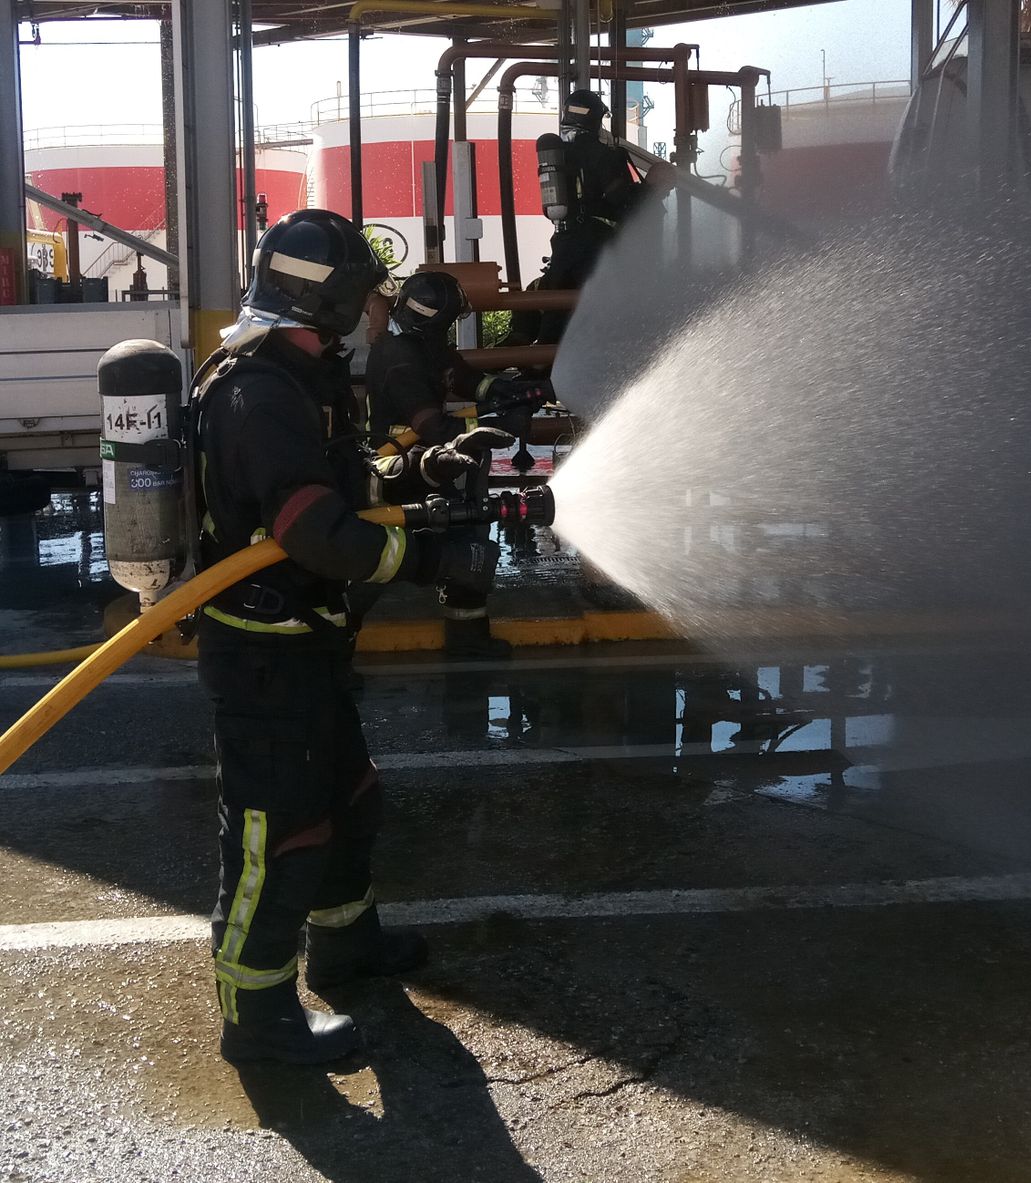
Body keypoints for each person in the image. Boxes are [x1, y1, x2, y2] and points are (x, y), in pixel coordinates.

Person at [193, 208, 503, 1065]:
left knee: (346, 800)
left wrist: (420, 468)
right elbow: (318, 532)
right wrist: (431, 557)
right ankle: (257, 1020)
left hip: (309, 639)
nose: (374, 314)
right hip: (264, 653)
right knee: (277, 836)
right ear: (320, 300)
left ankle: (345, 945)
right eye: (363, 299)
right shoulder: (258, 394)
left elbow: (344, 481)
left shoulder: (304, 375)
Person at [365, 270, 547, 658]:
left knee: (471, 543)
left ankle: (468, 637)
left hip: (439, 460)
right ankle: (342, 635)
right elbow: (432, 427)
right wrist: (497, 425)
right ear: (438, 322)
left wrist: (506, 389)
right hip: (403, 468)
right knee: (413, 553)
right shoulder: (398, 357)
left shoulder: (426, 346)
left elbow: (464, 378)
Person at [511, 87, 672, 345]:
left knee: (553, 313)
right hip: (595, 247)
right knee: (604, 322)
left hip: (563, 244)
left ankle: (527, 357)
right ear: (596, 119)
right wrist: (653, 188)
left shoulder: (559, 154)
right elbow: (622, 200)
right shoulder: (604, 155)